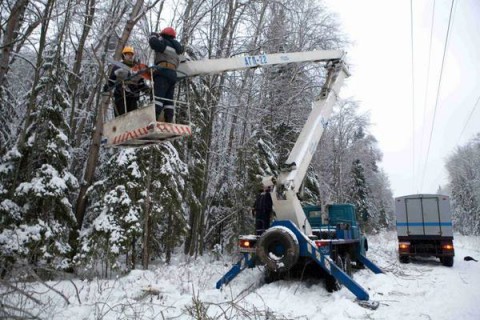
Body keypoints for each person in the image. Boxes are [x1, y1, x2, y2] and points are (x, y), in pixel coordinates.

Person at [148, 27, 184, 123]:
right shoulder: (177, 49)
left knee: (158, 97)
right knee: (168, 99)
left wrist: (153, 36)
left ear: (164, 34)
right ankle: (169, 119)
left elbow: (153, 43)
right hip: (173, 74)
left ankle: (153, 119)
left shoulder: (164, 42)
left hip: (163, 71)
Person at [104, 46, 149, 116]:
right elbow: (111, 80)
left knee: (133, 118)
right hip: (121, 96)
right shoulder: (118, 67)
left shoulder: (137, 68)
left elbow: (141, 83)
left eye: (131, 54)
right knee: (121, 117)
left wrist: (147, 90)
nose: (130, 56)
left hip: (133, 96)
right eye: (128, 54)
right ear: (124, 55)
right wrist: (107, 86)